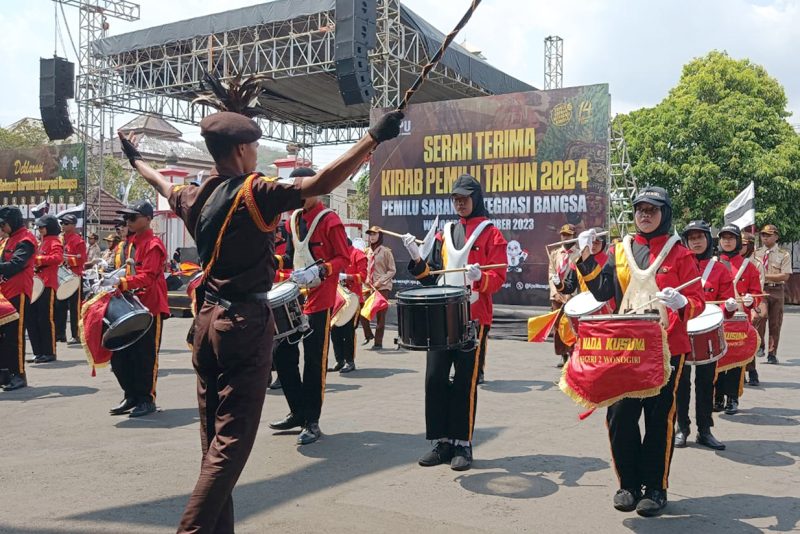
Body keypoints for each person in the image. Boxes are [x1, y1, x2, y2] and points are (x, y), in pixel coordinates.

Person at [120, 100, 402, 532]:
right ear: (239, 151)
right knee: (230, 446)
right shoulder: (256, 191)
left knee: (213, 447)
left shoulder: (194, 194)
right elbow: (322, 180)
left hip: (206, 324)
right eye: (254, 146)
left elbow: (160, 183)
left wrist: (136, 159)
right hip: (243, 327)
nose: (257, 154)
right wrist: (373, 137)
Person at [574, 186, 705, 517]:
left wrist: (683, 302)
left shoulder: (681, 254)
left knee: (659, 419)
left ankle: (655, 488)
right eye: (640, 209)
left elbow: (699, 301)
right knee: (620, 416)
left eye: (653, 209)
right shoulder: (620, 249)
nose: (645, 215)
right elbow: (603, 290)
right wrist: (586, 257)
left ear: (665, 214)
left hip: (665, 350)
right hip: (624, 347)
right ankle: (628, 484)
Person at [402, 173, 507, 471]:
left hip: (473, 318)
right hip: (440, 316)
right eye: (456, 199)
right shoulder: (443, 233)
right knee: (434, 378)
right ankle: (441, 441)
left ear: (476, 199)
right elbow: (429, 278)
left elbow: (499, 278)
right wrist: (416, 259)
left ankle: (462, 443)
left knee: (464, 382)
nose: (460, 203)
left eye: (465, 198)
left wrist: (481, 277)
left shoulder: (492, 234)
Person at [270, 167, 350, 445]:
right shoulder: (292, 219)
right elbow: (292, 256)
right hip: (295, 297)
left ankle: (312, 420)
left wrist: (323, 270)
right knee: (282, 355)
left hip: (322, 297)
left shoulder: (330, 220)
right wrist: (274, 262)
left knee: (314, 361)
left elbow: (344, 258)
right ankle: (297, 411)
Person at [104, 200, 169, 418]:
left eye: (133, 217)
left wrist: (121, 283)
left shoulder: (153, 244)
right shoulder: (129, 243)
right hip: (129, 305)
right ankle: (130, 395)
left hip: (149, 307)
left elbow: (148, 277)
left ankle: (146, 399)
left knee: (145, 356)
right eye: (127, 217)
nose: (128, 221)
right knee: (121, 355)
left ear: (148, 219)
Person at [674, 220, 732, 451]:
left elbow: (727, 307)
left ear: (708, 240)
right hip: (681, 330)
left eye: (700, 237)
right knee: (681, 383)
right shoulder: (678, 263)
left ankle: (705, 430)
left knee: (706, 382)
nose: (696, 242)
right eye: (691, 238)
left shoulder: (719, 269)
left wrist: (729, 306)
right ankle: (682, 428)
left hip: (707, 333)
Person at [716, 224, 762, 408]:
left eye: (731, 238)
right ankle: (717, 396)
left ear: (738, 242)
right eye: (724, 238)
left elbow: (756, 293)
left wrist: (752, 302)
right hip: (717, 319)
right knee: (716, 359)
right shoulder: (713, 264)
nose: (727, 241)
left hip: (739, 319)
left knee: (736, 360)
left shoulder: (748, 267)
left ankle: (732, 398)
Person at [0, 207, 37, 391]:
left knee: (16, 335)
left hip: (18, 292)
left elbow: (16, 264)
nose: (2, 227)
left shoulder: (26, 240)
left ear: (12, 221)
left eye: (3, 223)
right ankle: (5, 372)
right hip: (5, 293)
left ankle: (19, 374)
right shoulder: (9, 239)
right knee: (4, 337)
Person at [27, 215, 63, 364]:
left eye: (42, 227)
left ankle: (49, 352)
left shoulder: (55, 241)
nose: (40, 229)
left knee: (45, 319)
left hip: (48, 284)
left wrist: (37, 260)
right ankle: (38, 352)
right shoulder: (42, 242)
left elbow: (58, 258)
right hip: (36, 284)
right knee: (33, 319)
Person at [754, 224, 791, 365]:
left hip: (777, 290)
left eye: (769, 235)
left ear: (776, 237)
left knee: (775, 323)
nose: (765, 237)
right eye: (763, 235)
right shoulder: (756, 253)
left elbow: (785, 276)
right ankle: (761, 345)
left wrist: (764, 276)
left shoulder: (784, 254)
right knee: (760, 317)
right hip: (761, 290)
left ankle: (772, 353)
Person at [330, 238, 368, 373]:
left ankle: (350, 361)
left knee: (348, 331)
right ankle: (339, 360)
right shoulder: (336, 257)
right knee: (334, 331)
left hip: (353, 299)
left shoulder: (358, 254)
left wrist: (346, 276)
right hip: (337, 299)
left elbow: (363, 277)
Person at [361, 226, 396, 350]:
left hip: (382, 287)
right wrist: (365, 280)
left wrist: (380, 281)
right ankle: (368, 334)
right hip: (368, 286)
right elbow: (363, 268)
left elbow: (392, 270)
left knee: (381, 317)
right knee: (363, 313)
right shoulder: (366, 252)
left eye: (374, 234)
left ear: (380, 236)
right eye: (370, 234)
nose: (372, 237)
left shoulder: (386, 251)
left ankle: (378, 342)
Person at [548, 224, 577, 368]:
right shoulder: (554, 253)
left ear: (574, 236)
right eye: (563, 235)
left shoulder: (579, 254)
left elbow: (578, 277)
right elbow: (551, 274)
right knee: (558, 326)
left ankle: (573, 354)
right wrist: (555, 293)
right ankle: (562, 355)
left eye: (568, 235)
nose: (565, 237)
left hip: (573, 296)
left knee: (572, 326)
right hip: (557, 297)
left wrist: (570, 294)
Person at [55, 213, 86, 345]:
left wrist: (66, 258)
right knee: (59, 306)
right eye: (62, 223)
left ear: (73, 225)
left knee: (75, 308)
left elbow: (82, 259)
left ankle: (76, 334)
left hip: (74, 276)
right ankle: (60, 334)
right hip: (61, 276)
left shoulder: (78, 241)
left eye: (66, 223)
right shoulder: (60, 239)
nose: (63, 226)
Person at [741, 230, 766, 385]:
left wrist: (753, 307)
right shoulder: (731, 261)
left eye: (744, 244)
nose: (740, 247)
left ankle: (752, 370)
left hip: (750, 306)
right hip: (734, 306)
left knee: (749, 340)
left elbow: (759, 289)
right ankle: (740, 371)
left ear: (749, 246)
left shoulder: (756, 263)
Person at [553, 227, 609, 295]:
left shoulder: (609, 262)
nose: (593, 246)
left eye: (597, 243)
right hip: (586, 303)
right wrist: (559, 284)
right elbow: (570, 286)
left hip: (607, 303)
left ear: (603, 244)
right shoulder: (578, 262)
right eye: (591, 242)